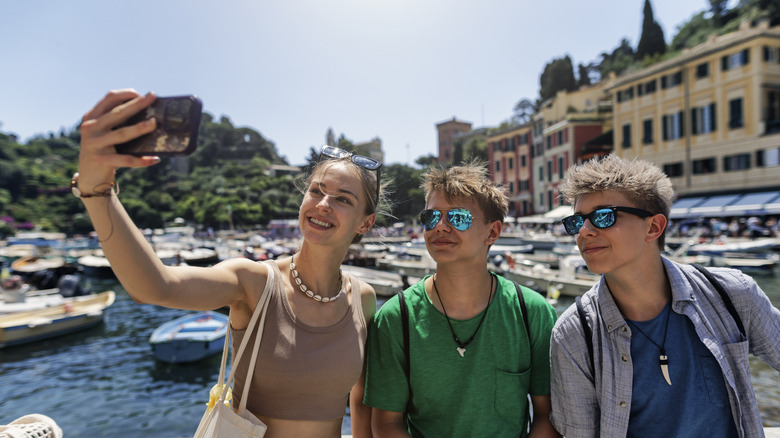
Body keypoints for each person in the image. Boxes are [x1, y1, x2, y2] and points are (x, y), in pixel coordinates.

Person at [76, 89, 386, 438]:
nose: (324, 203)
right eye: (316, 191)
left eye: (343, 199)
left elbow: (362, 398)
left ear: (365, 223)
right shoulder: (252, 281)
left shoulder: (364, 299)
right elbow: (155, 285)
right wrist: (97, 189)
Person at [549, 154, 780, 438]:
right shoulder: (574, 334)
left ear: (654, 227)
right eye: (576, 221)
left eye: (603, 216)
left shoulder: (732, 294)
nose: (584, 231)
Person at [364, 161, 560, 438]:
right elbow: (387, 425)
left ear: (492, 232)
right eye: (431, 217)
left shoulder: (532, 313)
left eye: (458, 217)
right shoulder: (397, 317)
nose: (440, 227)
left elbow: (547, 416)